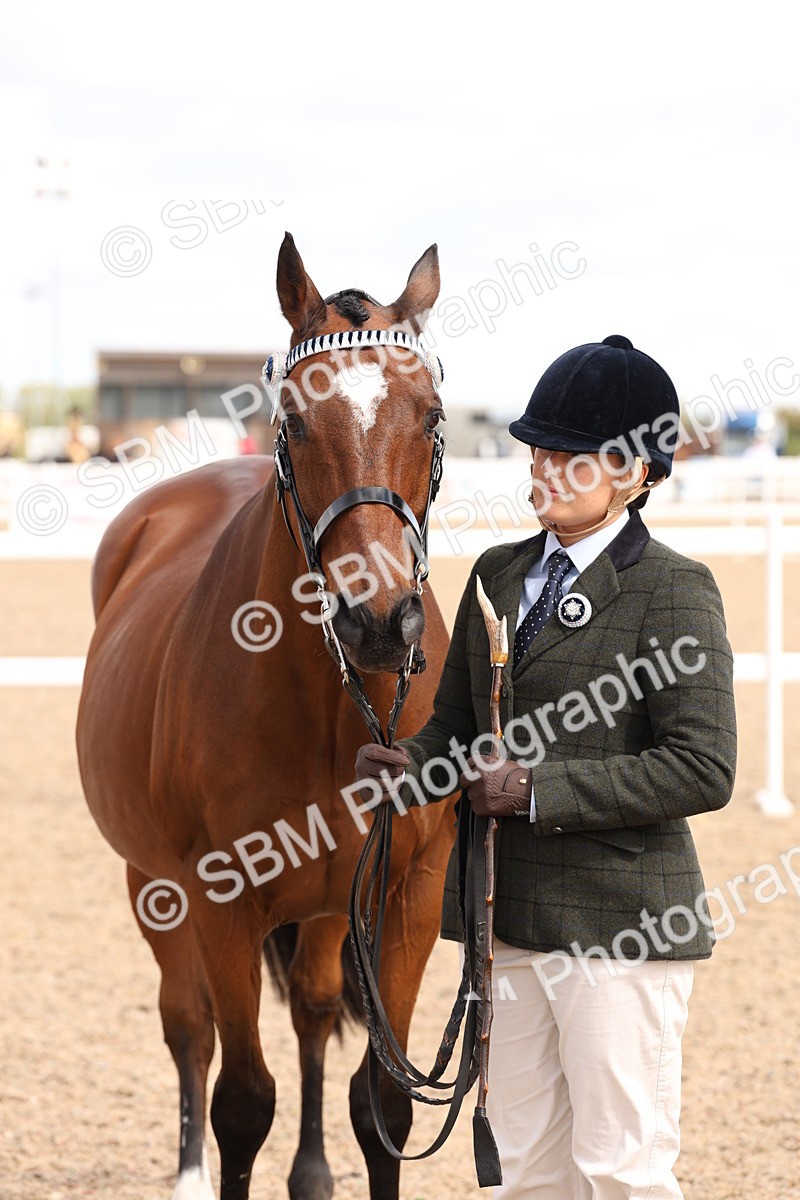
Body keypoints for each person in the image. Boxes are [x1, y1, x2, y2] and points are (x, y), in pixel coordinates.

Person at [355, 334, 737, 1199]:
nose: (541, 470)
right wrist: (408, 768)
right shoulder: (497, 574)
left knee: (621, 1169)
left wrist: (535, 790)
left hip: (623, 926)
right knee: (524, 1170)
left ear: (634, 474)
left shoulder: (674, 590)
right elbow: (458, 731)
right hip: (509, 920)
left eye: (568, 457)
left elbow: (703, 766)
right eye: (538, 451)